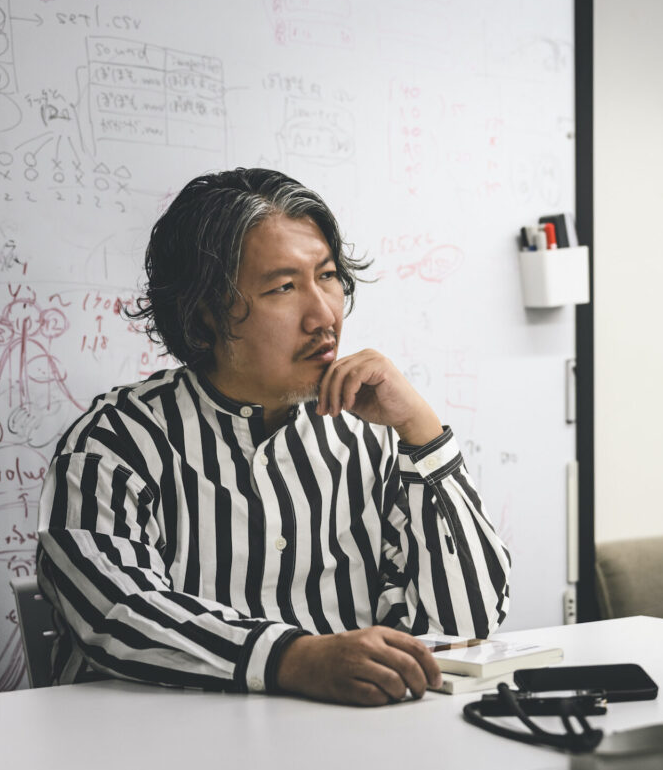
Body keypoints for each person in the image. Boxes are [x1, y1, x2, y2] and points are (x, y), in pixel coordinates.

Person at [36, 168, 511, 706]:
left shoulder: (372, 435)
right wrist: (293, 658)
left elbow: (465, 624)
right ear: (204, 315)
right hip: (162, 742)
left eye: (327, 276)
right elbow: (113, 613)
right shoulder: (116, 441)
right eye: (284, 287)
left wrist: (422, 433)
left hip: (347, 737)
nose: (323, 315)